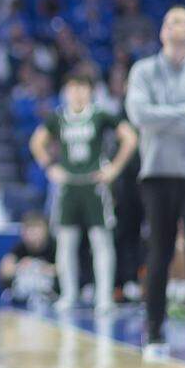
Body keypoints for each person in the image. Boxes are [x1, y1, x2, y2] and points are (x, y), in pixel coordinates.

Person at [125, 6, 185, 364]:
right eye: (167, 21)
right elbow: (139, 116)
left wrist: (163, 118)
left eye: (179, 22)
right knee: (158, 254)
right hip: (156, 174)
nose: (171, 26)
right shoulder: (143, 71)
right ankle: (153, 332)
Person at [29, 71, 138, 315]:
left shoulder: (99, 115)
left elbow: (130, 137)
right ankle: (68, 295)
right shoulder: (58, 118)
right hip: (68, 185)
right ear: (66, 92)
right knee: (66, 242)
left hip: (94, 185)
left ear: (90, 91)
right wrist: (49, 167)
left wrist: (114, 168)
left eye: (82, 88)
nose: (77, 93)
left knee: (101, 242)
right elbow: (36, 142)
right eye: (73, 88)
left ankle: (103, 297)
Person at [0, 211, 57, 306]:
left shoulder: (55, 247)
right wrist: (19, 266)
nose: (33, 235)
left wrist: (44, 268)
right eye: (29, 230)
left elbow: (66, 270)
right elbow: (4, 271)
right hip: (24, 296)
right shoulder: (20, 249)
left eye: (37, 229)